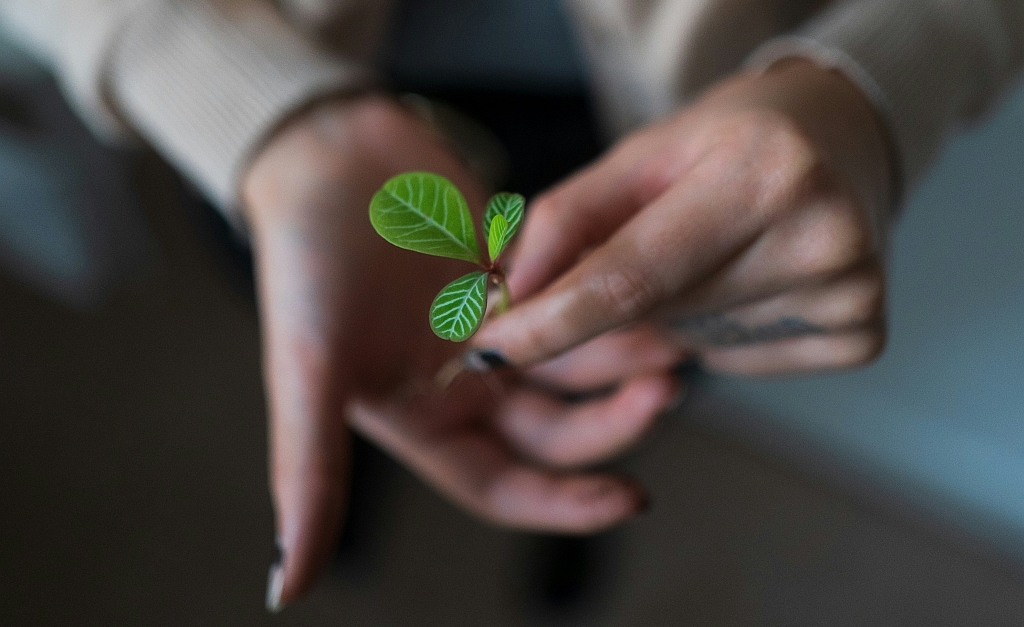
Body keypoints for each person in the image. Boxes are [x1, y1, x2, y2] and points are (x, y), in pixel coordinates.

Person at [1, 0, 1022, 613]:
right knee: (360, 379)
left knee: (610, 393)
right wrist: (233, 97)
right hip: (289, 133)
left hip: (680, 157)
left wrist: (862, 88)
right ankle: (361, 494)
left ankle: (571, 532)